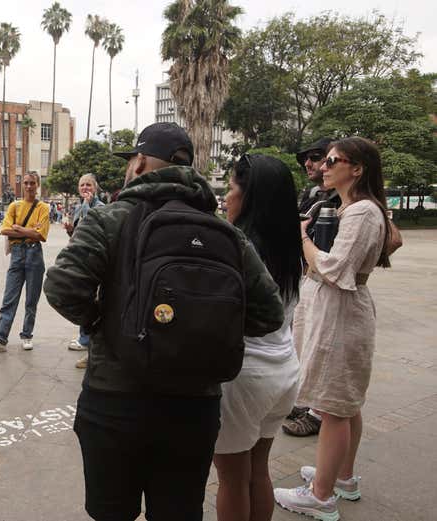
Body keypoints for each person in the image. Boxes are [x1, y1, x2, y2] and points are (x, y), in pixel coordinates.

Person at [43, 122, 284, 521]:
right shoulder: (225, 233)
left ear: (138, 164)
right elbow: (269, 313)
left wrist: (108, 323)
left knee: (111, 513)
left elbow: (62, 287)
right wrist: (204, 330)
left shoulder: (109, 219)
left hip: (114, 400)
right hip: (194, 407)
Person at [274, 137, 394, 521]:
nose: (323, 166)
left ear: (356, 169)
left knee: (333, 407)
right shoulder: (355, 209)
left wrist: (303, 238)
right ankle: (342, 477)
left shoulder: (360, 212)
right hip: (339, 310)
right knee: (344, 403)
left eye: (331, 160)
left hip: (340, 314)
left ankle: (321, 495)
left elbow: (333, 269)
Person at [213, 154, 303, 521]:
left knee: (232, 479)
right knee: (258, 470)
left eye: (231, 189)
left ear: (250, 197)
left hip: (245, 377)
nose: (225, 198)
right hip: (283, 369)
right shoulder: (291, 248)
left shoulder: (237, 248)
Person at [0, 173, 51, 354]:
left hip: (35, 254)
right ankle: (0, 339)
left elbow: (41, 235)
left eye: (32, 183)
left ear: (38, 185)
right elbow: (5, 230)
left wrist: (18, 229)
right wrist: (29, 231)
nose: (28, 186)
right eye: (26, 183)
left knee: (31, 299)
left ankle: (27, 335)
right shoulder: (14, 206)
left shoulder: (43, 207)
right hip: (18, 254)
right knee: (9, 298)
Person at [63, 173, 105, 369]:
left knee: (94, 302)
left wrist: (87, 207)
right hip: (81, 261)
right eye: (82, 185)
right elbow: (79, 234)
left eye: (89, 185)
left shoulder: (100, 208)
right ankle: (84, 338)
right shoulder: (79, 207)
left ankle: (89, 344)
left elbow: (94, 228)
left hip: (95, 262)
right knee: (83, 299)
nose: (85, 188)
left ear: (95, 188)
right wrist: (71, 229)